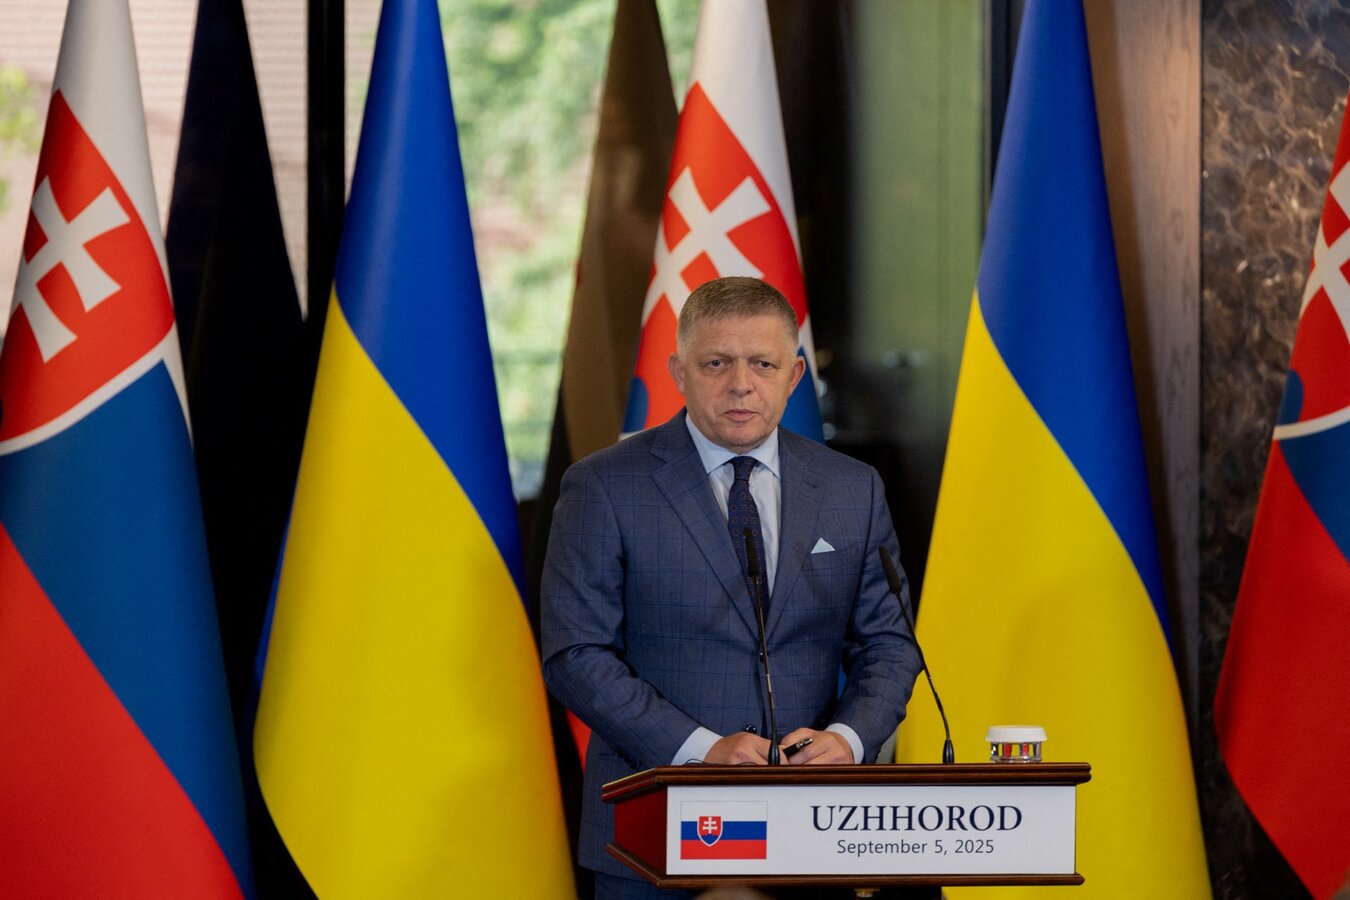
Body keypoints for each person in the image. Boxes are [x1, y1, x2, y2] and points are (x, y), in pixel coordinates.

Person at [541, 276, 923, 899]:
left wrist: (849, 740)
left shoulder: (853, 488)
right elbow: (575, 655)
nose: (741, 383)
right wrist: (699, 750)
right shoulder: (606, 486)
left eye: (762, 363)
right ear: (678, 371)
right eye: (716, 363)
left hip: (812, 827)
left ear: (794, 376)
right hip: (653, 821)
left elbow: (889, 643)